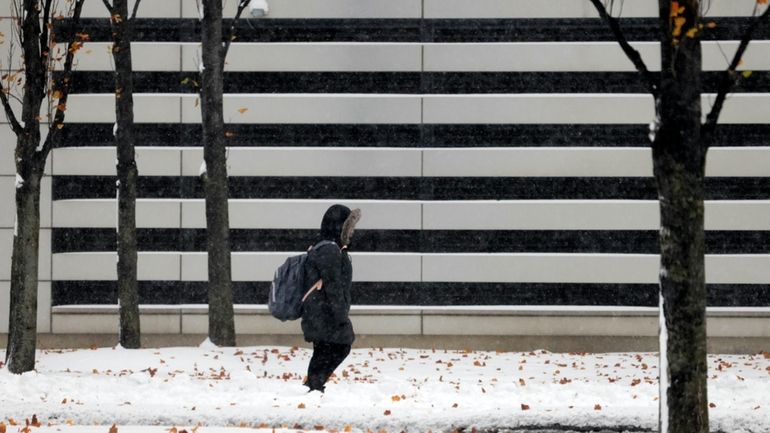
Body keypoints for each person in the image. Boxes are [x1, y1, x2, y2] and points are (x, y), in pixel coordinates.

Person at [301, 204, 361, 393]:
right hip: (326, 314)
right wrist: (341, 314)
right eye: (349, 228)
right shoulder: (329, 250)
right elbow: (334, 286)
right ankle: (314, 385)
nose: (352, 232)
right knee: (341, 346)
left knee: (323, 351)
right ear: (339, 227)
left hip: (320, 313)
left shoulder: (330, 248)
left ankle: (314, 387)